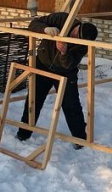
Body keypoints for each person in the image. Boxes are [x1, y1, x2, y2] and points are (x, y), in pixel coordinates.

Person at [16, 12, 98, 149]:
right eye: (75, 34)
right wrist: (45, 29)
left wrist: (64, 53)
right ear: (78, 26)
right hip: (42, 64)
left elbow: (69, 64)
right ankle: (23, 133)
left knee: (72, 105)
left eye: (77, 38)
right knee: (33, 99)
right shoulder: (62, 18)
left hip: (65, 72)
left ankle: (80, 140)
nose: (74, 37)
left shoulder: (83, 44)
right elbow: (33, 24)